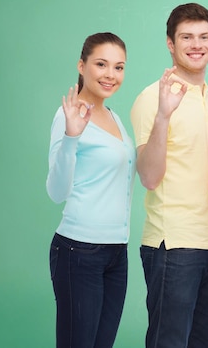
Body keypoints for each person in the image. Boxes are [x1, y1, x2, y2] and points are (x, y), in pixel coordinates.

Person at [130, 3, 208, 348]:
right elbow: (149, 176)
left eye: (203, 37)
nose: (196, 44)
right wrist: (162, 117)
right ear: (170, 44)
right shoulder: (152, 99)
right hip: (173, 245)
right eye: (186, 37)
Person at [47, 32, 136, 348]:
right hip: (78, 251)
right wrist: (71, 137)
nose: (111, 75)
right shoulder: (68, 114)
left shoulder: (113, 116)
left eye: (119, 67)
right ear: (81, 66)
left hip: (116, 252)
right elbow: (56, 191)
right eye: (101, 64)